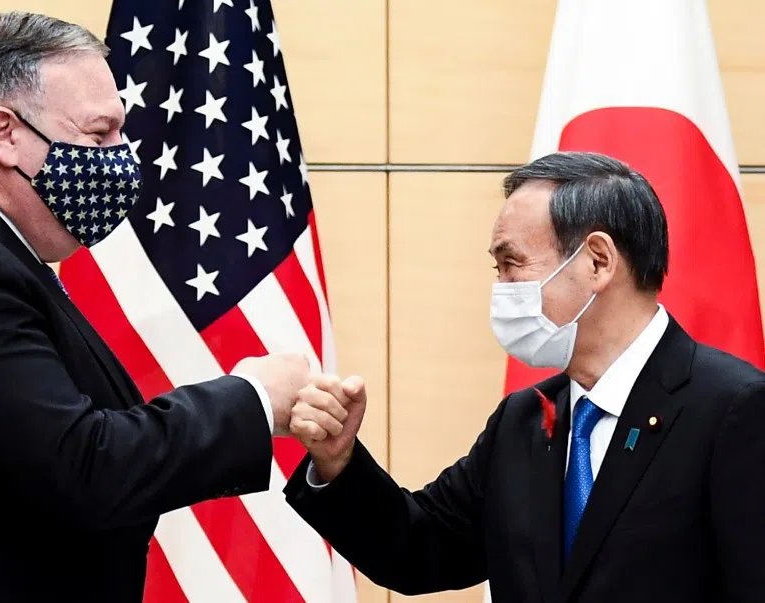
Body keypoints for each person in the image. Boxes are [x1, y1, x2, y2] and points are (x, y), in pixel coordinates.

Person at [0, 11, 318, 603]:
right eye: (99, 134)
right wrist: (252, 398)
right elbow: (80, 466)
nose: (122, 158)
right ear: (5, 133)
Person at [284, 151, 765, 602]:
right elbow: (420, 550)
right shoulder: (524, 420)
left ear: (598, 261)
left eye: (512, 264)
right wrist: (337, 460)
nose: (501, 289)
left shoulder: (734, 409)